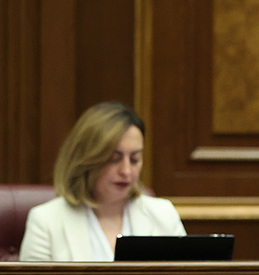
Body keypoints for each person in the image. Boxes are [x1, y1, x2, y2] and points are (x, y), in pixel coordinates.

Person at [19, 102, 185, 261]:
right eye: (114, 159)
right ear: (86, 159)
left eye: (134, 159)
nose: (126, 171)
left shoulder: (163, 215)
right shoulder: (45, 222)